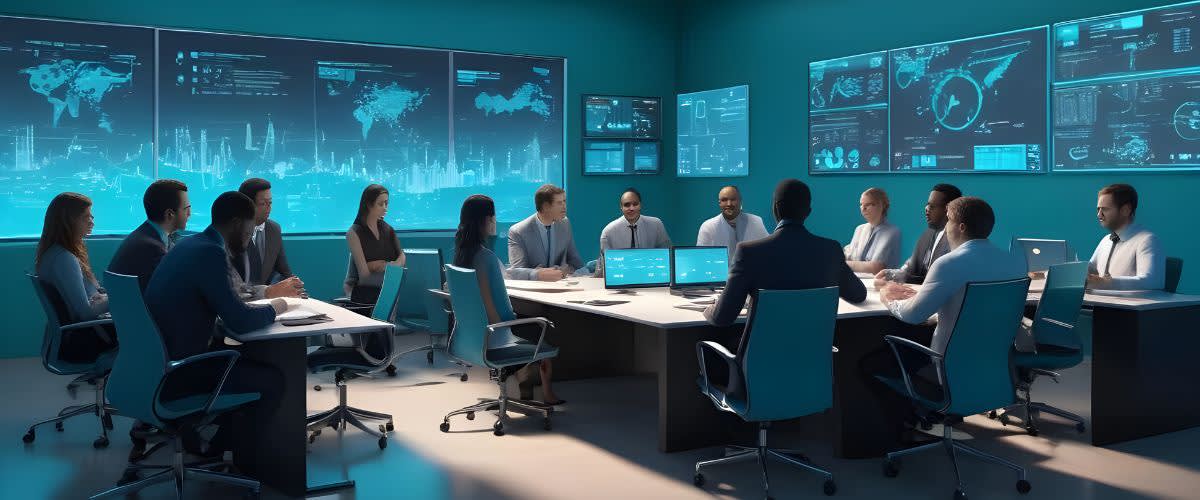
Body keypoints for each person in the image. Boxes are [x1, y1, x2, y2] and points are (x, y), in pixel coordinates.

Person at [866, 197, 1024, 440]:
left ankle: (903, 430)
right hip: (996, 370)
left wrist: (889, 297)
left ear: (960, 226)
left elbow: (913, 315)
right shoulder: (1014, 263)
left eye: (948, 222)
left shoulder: (949, 264)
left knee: (871, 361)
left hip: (947, 372)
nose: (945, 228)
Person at [145, 191, 289, 455]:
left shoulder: (190, 244)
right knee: (273, 380)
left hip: (157, 365)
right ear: (236, 223)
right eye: (248, 231)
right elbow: (242, 321)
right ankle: (223, 455)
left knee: (242, 356)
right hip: (181, 372)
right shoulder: (210, 253)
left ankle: (211, 443)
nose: (249, 239)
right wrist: (275, 307)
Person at [704, 180, 867, 398]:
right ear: (808, 212)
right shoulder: (831, 250)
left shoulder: (750, 252)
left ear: (775, 209)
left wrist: (710, 308)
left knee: (714, 348)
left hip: (759, 368)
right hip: (811, 366)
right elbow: (858, 294)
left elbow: (723, 317)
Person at [454, 195, 564, 405]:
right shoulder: (484, 257)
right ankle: (540, 388)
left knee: (529, 320)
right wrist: (505, 329)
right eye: (494, 217)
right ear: (487, 220)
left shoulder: (462, 255)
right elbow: (488, 305)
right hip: (493, 335)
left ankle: (520, 375)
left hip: (469, 338)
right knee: (546, 326)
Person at [34, 192, 116, 363]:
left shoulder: (54, 253)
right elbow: (85, 314)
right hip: (87, 339)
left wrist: (103, 297)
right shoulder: (64, 259)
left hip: (81, 334)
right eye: (86, 217)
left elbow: (85, 299)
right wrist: (117, 298)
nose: (92, 221)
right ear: (68, 221)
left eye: (92, 216)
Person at [108, 180, 191, 292]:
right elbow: (172, 292)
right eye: (187, 209)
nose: (189, 214)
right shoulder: (151, 248)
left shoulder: (145, 235)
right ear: (169, 214)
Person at [874, 183, 961, 287]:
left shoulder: (957, 241)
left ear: (949, 210)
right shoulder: (928, 234)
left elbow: (938, 281)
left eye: (932, 206)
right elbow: (911, 267)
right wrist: (890, 275)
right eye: (927, 204)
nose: (926, 209)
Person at [231, 178, 304, 300]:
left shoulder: (274, 229)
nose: (268, 208)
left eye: (270, 203)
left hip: (267, 301)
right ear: (247, 205)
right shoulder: (231, 232)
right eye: (263, 203)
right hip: (238, 301)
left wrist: (296, 289)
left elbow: (284, 271)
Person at [1086, 183, 1164, 291]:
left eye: (1105, 209)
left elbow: (1151, 282)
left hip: (1126, 307)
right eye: (1098, 209)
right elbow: (1088, 271)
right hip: (1100, 304)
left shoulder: (1147, 240)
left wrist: (1106, 283)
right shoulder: (1106, 240)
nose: (1099, 215)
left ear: (1126, 210)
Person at [507, 184, 584, 281]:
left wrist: (565, 270)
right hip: (532, 289)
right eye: (559, 203)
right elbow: (516, 272)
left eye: (564, 201)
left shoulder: (564, 223)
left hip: (561, 286)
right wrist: (538, 274)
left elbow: (576, 262)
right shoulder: (518, 231)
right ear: (546, 206)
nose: (564, 206)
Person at [344, 184, 406, 305]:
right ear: (368, 204)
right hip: (362, 297)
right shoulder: (354, 233)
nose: (385, 208)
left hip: (388, 294)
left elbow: (402, 257)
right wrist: (391, 269)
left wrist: (380, 266)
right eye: (380, 204)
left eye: (386, 203)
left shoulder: (388, 230)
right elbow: (365, 278)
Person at [597, 188, 671, 276]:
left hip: (650, 276)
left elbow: (668, 256)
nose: (631, 208)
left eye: (635, 204)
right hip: (620, 278)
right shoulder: (608, 232)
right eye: (627, 205)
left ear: (640, 205)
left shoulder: (656, 224)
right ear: (621, 207)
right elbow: (606, 270)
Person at [696, 185, 769, 258]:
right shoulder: (707, 227)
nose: (729, 204)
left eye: (733, 199)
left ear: (740, 202)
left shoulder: (756, 221)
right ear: (719, 203)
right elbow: (701, 257)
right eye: (724, 200)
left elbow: (767, 250)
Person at [844, 187, 901, 274]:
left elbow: (876, 267)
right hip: (856, 280)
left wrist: (842, 263)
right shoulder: (859, 229)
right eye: (861, 204)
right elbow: (848, 255)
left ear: (882, 205)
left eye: (868, 204)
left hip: (879, 283)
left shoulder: (892, 232)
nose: (863, 208)